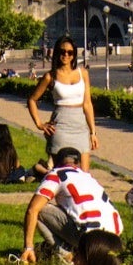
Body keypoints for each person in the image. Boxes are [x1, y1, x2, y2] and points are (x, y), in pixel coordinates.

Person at [20, 147, 122, 265]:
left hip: (89, 239)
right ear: (79, 163)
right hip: (114, 240)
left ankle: (67, 257)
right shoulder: (89, 177)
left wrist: (28, 247)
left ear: (55, 162)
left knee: (40, 210)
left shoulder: (57, 174)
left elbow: (32, 210)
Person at [27, 37, 99, 168]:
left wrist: (93, 132)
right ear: (57, 53)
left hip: (80, 128)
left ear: (74, 55)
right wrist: (39, 124)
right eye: (62, 51)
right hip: (60, 128)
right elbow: (32, 99)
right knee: (61, 173)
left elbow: (87, 104)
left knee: (83, 175)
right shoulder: (50, 76)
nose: (66, 55)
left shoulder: (83, 73)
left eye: (70, 52)